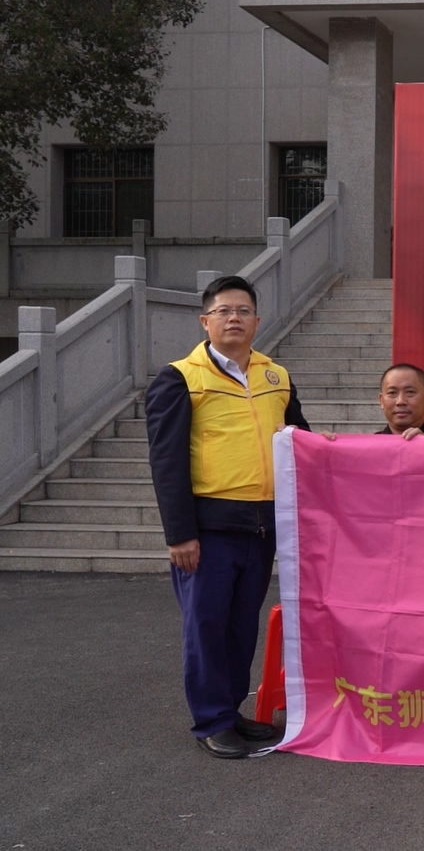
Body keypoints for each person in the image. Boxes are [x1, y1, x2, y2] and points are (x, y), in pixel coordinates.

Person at [145, 275, 310, 759]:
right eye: (223, 311)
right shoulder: (180, 378)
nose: (234, 318)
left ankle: (231, 710)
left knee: (241, 626)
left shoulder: (276, 377)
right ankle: (211, 721)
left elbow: (301, 441)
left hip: (262, 526)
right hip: (208, 528)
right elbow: (167, 461)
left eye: (243, 310)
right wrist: (180, 534)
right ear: (205, 322)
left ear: (257, 321)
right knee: (207, 626)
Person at [377, 363, 424, 438]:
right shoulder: (370, 444)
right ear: (381, 401)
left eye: (410, 392)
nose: (400, 401)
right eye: (392, 393)